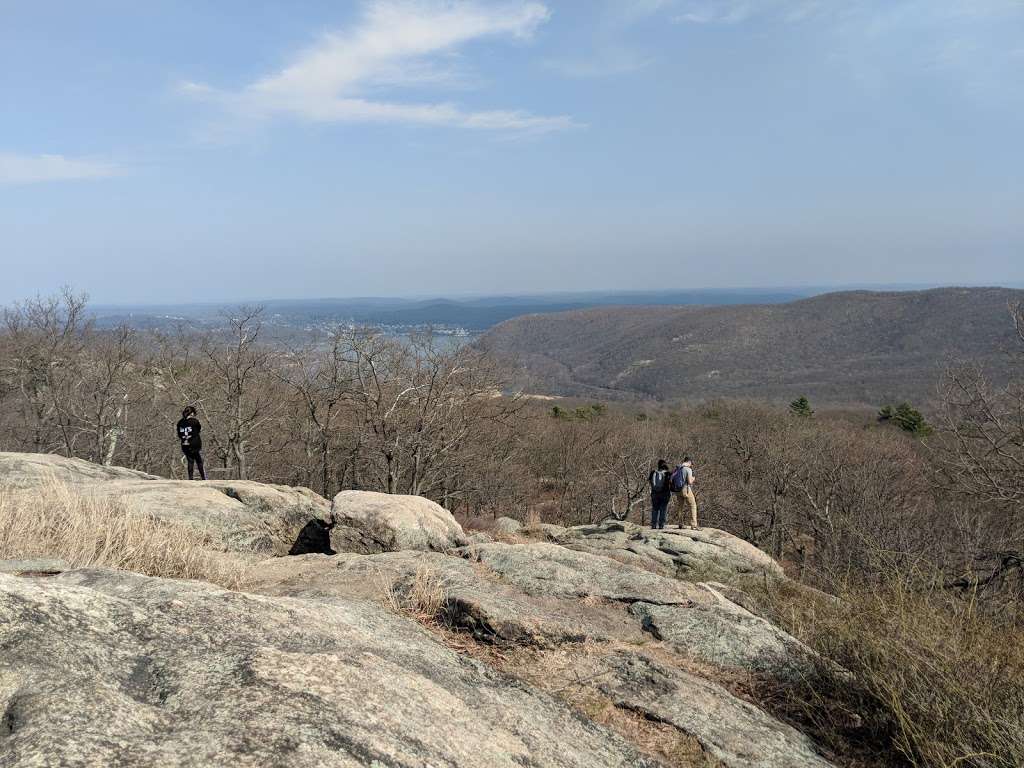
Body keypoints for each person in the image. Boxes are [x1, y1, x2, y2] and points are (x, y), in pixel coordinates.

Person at [176, 406, 206, 480]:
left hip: (185, 444)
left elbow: (179, 434)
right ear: (192, 413)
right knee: (199, 461)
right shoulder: (194, 421)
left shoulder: (180, 422)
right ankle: (203, 478)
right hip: (194, 443)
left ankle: (190, 478)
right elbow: (199, 429)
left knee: (190, 461)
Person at [670, 457, 698, 529]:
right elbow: (689, 481)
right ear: (689, 462)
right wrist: (693, 479)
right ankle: (694, 525)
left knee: (680, 507)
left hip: (677, 490)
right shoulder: (688, 469)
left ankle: (680, 524)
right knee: (692, 505)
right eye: (691, 464)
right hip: (685, 489)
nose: (691, 465)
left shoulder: (677, 468)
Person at [648, 459, 672, 530]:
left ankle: (653, 525)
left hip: (654, 493)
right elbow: (671, 483)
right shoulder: (668, 473)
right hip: (665, 493)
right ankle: (661, 525)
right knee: (663, 509)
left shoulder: (653, 472)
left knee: (655, 509)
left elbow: (650, 482)